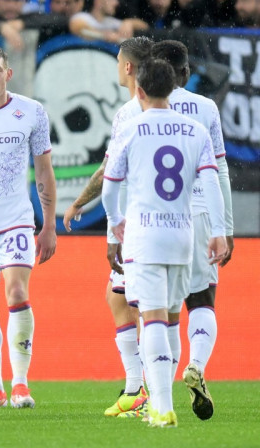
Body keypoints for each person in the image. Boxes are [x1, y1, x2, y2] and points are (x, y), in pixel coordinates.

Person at [102, 57, 227, 428]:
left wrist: (115, 222)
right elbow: (211, 183)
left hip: (145, 233)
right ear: (172, 89)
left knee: (152, 317)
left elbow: (111, 188)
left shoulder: (131, 127)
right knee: (173, 319)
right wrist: (218, 230)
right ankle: (163, 398)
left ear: (139, 90)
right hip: (183, 234)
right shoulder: (195, 130)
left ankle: (160, 405)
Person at [62, 36, 153, 418]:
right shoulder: (182, 108)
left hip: (138, 221)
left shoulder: (130, 113)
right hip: (174, 218)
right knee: (125, 299)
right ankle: (140, 386)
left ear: (129, 68)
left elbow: (109, 170)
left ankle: (142, 389)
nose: (117, 66)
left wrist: (81, 202)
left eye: (118, 61)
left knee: (142, 305)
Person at [0, 45, 57, 409]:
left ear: (9, 73)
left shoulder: (31, 112)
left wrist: (48, 224)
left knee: (17, 293)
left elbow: (44, 171)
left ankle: (20, 384)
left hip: (16, 219)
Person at [150, 39, 234, 421]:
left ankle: (162, 398)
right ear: (185, 73)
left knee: (163, 313)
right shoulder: (205, 107)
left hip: (157, 217)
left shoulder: (140, 108)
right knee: (202, 300)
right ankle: (196, 364)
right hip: (201, 211)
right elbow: (219, 170)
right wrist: (225, 227)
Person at [69, 0, 147, 44]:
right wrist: (104, 35)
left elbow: (145, 27)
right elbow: (76, 26)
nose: (116, 3)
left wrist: (129, 23)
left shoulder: (111, 22)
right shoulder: (84, 17)